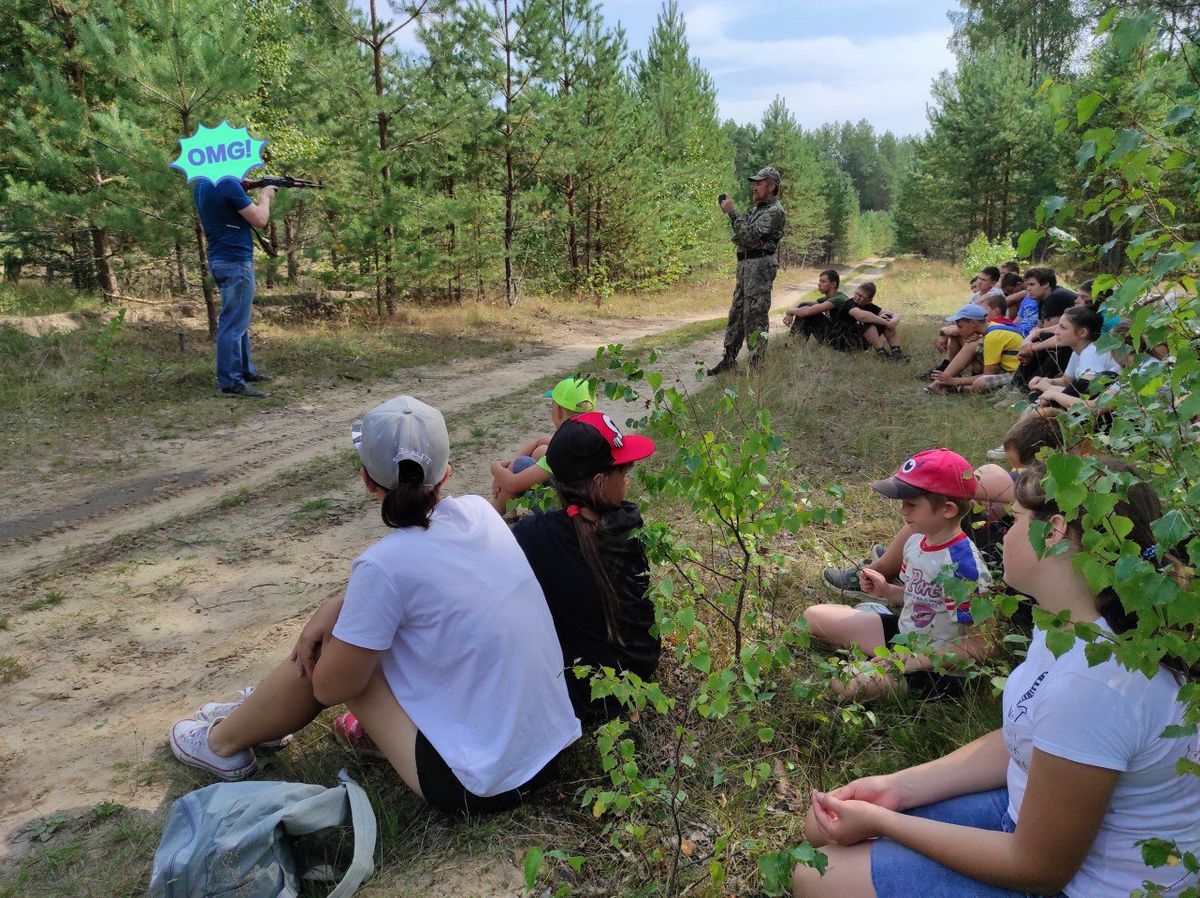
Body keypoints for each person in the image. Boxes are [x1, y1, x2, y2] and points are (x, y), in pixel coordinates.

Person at [794, 459, 1200, 898]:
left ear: (1055, 531)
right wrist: (893, 788)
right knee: (821, 829)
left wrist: (885, 821)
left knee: (814, 873)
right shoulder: (1070, 626)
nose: (1001, 533)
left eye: (1016, 520)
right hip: (1027, 812)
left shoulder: (1096, 685)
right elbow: (1025, 737)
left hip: (1076, 882)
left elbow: (1038, 869)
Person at [168, 395, 582, 815]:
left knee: (336, 653)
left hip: (480, 785)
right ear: (446, 472)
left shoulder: (384, 565)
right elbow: (428, 582)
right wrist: (341, 603)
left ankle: (223, 743)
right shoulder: (480, 512)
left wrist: (339, 618)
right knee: (368, 632)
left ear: (368, 480)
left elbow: (331, 687)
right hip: (550, 747)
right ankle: (258, 719)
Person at [803, 449, 992, 701]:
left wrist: (916, 660)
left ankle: (883, 671)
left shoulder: (963, 567)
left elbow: (981, 647)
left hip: (937, 667)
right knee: (813, 616)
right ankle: (875, 642)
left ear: (947, 509)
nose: (903, 511)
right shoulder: (916, 541)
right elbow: (924, 597)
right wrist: (887, 591)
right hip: (906, 636)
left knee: (844, 684)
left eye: (911, 504)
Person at [512, 412, 662, 723]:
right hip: (638, 674)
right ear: (599, 483)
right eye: (622, 472)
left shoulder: (534, 535)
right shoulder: (630, 521)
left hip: (582, 697)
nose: (628, 480)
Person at [823, 411, 1065, 597]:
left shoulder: (1043, 487)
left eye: (1022, 469)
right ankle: (908, 559)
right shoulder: (1064, 478)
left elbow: (960, 488)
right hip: (1019, 545)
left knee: (940, 508)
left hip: (1015, 558)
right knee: (988, 472)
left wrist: (940, 478)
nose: (1017, 473)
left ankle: (881, 569)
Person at [194, 177, 277, 398]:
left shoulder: (203, 183)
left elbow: (225, 205)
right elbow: (260, 219)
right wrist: (265, 196)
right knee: (233, 323)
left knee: (239, 320)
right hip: (235, 261)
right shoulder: (227, 182)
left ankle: (244, 371)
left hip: (221, 259)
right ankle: (231, 382)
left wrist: (243, 184)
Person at [707, 166, 787, 375]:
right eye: (755, 183)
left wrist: (733, 213)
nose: (755, 187)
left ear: (771, 186)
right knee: (737, 313)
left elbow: (749, 237)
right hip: (746, 267)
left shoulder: (774, 211)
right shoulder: (758, 209)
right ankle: (729, 359)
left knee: (755, 317)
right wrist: (742, 230)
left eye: (759, 183)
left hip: (759, 268)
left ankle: (756, 366)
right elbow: (741, 237)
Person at [490, 377, 596, 513]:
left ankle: (494, 514)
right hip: (588, 507)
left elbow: (512, 484)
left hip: (569, 517)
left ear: (558, 411)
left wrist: (496, 469)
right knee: (540, 450)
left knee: (522, 464)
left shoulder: (563, 448)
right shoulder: (588, 436)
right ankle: (509, 513)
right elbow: (540, 441)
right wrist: (506, 470)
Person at [927, 296, 1023, 395]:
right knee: (972, 343)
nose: (959, 330)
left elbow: (988, 375)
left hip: (1017, 374)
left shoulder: (993, 336)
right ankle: (940, 383)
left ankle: (955, 388)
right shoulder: (991, 327)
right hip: (1004, 368)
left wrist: (954, 381)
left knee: (981, 383)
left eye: (960, 326)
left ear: (973, 323)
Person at [1013, 267, 1077, 386]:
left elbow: (1052, 334)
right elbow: (1038, 328)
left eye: (1032, 284)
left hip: (1076, 344)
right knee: (1038, 341)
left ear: (1046, 284)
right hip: (1069, 341)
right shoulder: (1043, 298)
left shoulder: (1056, 297)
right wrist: (1027, 343)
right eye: (1027, 285)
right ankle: (1018, 386)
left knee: (1045, 344)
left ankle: (1023, 387)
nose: (1028, 289)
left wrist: (1029, 347)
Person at [783, 269, 853, 347]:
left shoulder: (838, 299)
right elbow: (803, 303)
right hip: (835, 336)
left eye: (823, 282)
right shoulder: (831, 297)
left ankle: (794, 343)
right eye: (819, 281)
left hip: (842, 341)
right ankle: (794, 342)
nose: (819, 284)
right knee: (804, 306)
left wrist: (789, 311)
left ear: (833, 284)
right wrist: (791, 313)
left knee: (809, 314)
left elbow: (807, 312)